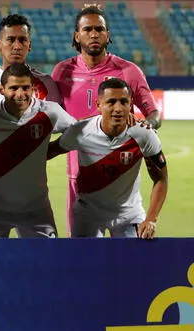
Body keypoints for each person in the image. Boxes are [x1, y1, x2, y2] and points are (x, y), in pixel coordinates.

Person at [51, 4, 160, 236]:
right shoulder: (62, 72)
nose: (94, 34)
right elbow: (47, 116)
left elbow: (154, 114)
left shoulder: (128, 71)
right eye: (87, 29)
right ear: (76, 35)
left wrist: (147, 125)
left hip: (118, 170)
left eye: (99, 29)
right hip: (77, 175)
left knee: (127, 261)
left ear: (107, 35)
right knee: (85, 259)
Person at [47, 78, 167, 239]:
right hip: (88, 213)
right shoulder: (80, 131)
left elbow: (161, 179)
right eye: (111, 102)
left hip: (129, 214)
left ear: (130, 104)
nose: (118, 108)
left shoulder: (144, 134)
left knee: (133, 264)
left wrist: (151, 219)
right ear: (98, 105)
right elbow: (47, 153)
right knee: (86, 263)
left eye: (123, 102)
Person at [0, 63, 76, 238]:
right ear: (1, 89)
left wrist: (54, 148)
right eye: (13, 88)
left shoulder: (49, 112)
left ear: (33, 88)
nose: (20, 94)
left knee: (46, 261)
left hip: (36, 208)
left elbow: (78, 131)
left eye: (25, 88)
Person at [0, 14, 61, 109]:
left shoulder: (46, 83)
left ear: (29, 45)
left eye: (22, 40)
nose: (17, 46)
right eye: (10, 40)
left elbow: (56, 123)